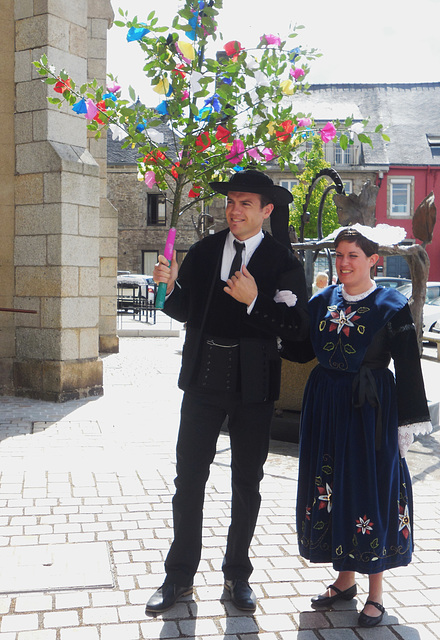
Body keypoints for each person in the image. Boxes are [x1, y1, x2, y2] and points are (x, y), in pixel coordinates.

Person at [145, 170, 309, 616]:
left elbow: (299, 335)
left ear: (266, 210)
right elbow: (185, 311)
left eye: (245, 204)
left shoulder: (283, 262)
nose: (234, 211)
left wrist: (255, 301)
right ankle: (178, 575)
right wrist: (171, 283)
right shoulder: (204, 251)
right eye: (231, 202)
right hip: (203, 378)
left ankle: (237, 574)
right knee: (188, 479)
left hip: (254, 386)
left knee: (246, 483)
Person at [292, 225, 432, 628]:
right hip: (326, 406)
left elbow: (408, 366)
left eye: (353, 255)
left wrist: (406, 425)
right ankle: (343, 581)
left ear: (374, 260)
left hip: (371, 409)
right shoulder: (321, 301)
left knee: (368, 489)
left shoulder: (391, 305)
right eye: (339, 256)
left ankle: (375, 594)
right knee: (331, 485)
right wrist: (263, 310)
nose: (344, 263)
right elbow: (301, 349)